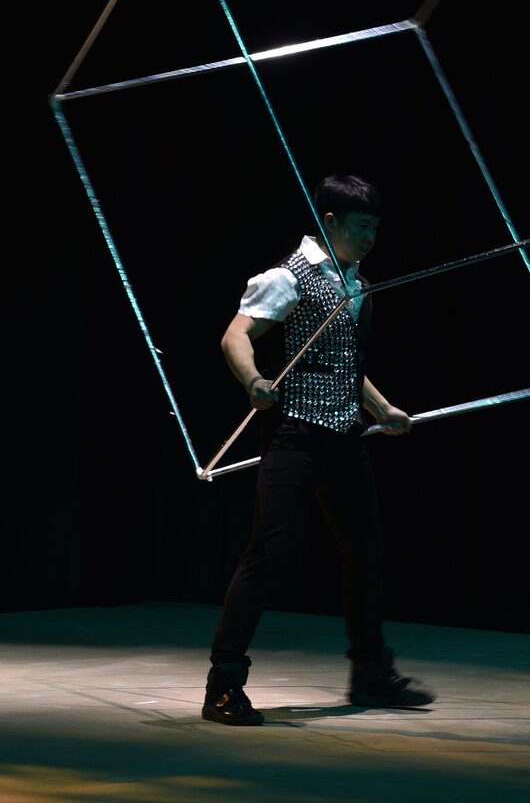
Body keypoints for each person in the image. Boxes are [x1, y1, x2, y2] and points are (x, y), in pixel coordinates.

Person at [202, 172, 435, 725]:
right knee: (268, 552)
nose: (370, 237)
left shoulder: (356, 282)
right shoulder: (289, 277)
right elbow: (235, 335)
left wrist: (383, 410)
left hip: (343, 438)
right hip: (296, 435)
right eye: (361, 226)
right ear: (330, 222)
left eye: (375, 227)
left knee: (366, 552)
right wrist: (253, 381)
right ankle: (224, 685)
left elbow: (344, 364)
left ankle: (370, 673)